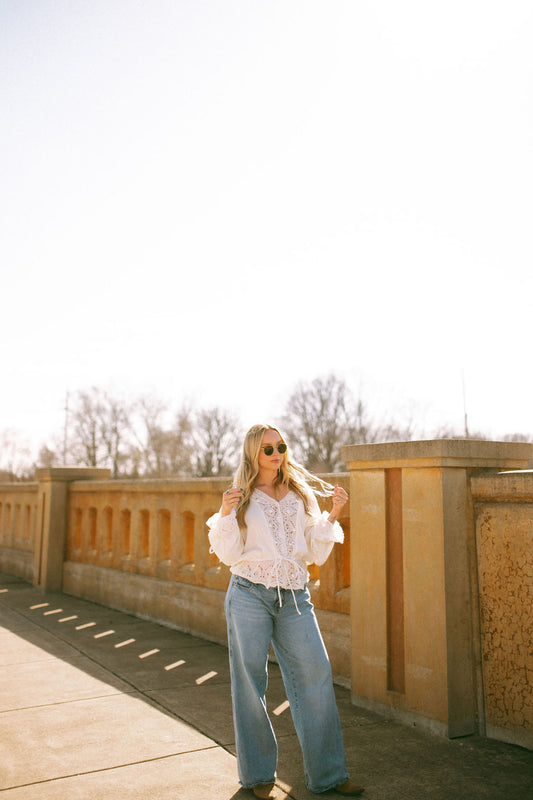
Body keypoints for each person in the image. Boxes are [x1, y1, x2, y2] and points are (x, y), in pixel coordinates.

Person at [207, 423, 364, 798]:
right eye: (268, 449)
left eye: (281, 446)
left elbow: (312, 549)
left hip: (294, 597)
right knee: (250, 684)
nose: (277, 454)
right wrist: (226, 513)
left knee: (316, 675)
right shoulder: (241, 496)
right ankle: (259, 776)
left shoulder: (298, 492)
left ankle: (329, 775)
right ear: (252, 454)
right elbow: (228, 555)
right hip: (249, 594)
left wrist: (334, 513)